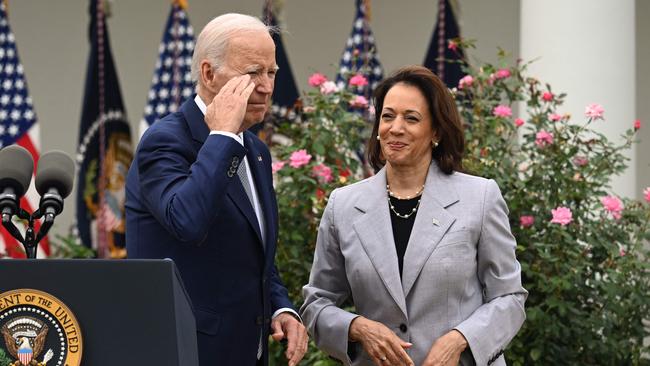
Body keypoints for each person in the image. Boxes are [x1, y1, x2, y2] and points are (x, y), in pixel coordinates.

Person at [300, 65, 527, 366]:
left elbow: (509, 298)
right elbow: (317, 304)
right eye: (388, 116)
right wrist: (357, 328)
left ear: (435, 131)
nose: (395, 128)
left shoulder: (480, 197)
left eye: (411, 118)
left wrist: (460, 339)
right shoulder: (343, 205)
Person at [125, 13, 307, 366]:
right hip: (184, 353)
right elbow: (188, 221)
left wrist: (280, 305)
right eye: (253, 72)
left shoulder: (255, 150)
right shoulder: (164, 141)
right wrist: (222, 135)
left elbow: (253, 255)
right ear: (209, 74)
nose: (267, 87)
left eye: (271, 73)